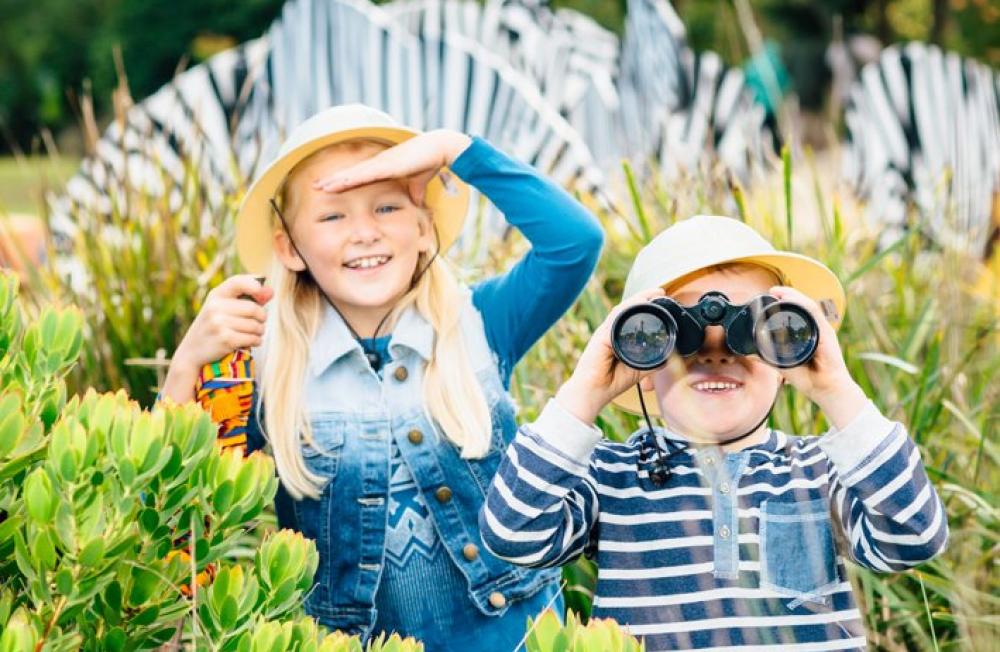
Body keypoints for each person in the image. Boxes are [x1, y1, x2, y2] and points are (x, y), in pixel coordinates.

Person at [160, 104, 605, 648]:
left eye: (387, 207)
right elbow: (185, 515)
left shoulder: (479, 327)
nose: (364, 233)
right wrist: (186, 366)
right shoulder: (262, 371)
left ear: (423, 229)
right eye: (332, 216)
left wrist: (457, 151)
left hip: (520, 640)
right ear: (288, 247)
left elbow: (575, 244)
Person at [480, 214, 948, 650]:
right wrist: (587, 388)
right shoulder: (612, 479)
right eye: (677, 332)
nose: (715, 350)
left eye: (754, 327)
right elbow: (512, 533)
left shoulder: (818, 473)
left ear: (788, 359)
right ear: (639, 362)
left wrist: (835, 387)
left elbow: (914, 537)